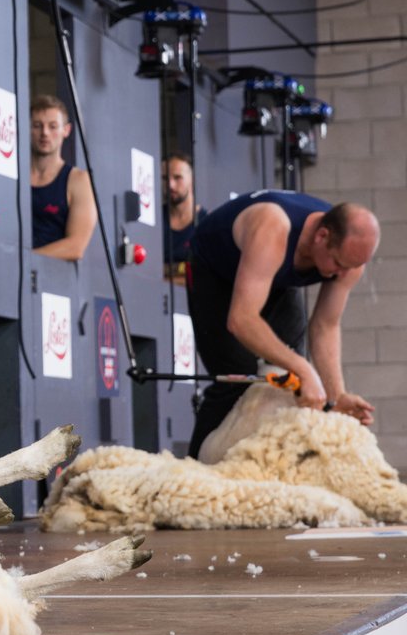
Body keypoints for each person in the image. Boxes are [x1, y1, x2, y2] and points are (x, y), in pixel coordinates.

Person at [185, 189, 380, 459]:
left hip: (271, 277)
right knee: (236, 377)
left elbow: (325, 326)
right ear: (322, 236)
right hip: (216, 272)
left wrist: (336, 397)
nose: (343, 274)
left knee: (293, 385)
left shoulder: (349, 259)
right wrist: (304, 368)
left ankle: (269, 474)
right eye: (338, 263)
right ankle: (193, 474)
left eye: (351, 267)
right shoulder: (273, 226)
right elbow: (241, 319)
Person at [30, 95, 96, 261]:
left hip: (53, 280)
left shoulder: (78, 180)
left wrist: (26, 259)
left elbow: (76, 247)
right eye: (37, 126)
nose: (44, 133)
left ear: (66, 130)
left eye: (53, 126)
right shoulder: (15, 177)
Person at [161, 151, 206, 284]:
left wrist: (163, 273)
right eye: (164, 178)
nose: (170, 185)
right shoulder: (154, 221)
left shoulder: (206, 224)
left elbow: (203, 277)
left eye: (177, 177)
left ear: (192, 180)